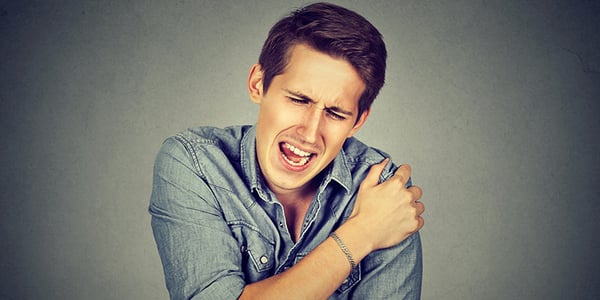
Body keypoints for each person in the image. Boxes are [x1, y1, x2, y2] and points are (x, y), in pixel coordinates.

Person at [149, 2, 425, 299]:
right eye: (298, 100)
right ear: (258, 84)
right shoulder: (194, 163)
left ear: (358, 121)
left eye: (335, 113)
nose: (309, 133)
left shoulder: (384, 191)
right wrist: (363, 233)